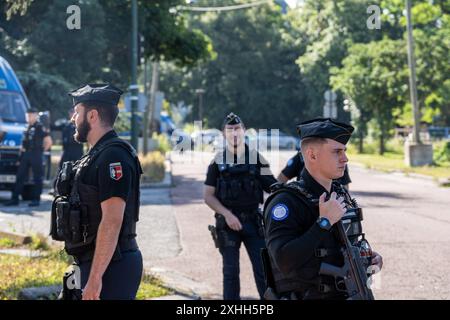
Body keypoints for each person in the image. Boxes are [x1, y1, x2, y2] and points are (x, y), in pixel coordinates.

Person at [264, 118, 383, 300]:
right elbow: (284, 261)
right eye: (337, 152)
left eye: (344, 151)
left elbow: (343, 246)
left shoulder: (339, 194)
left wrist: (367, 259)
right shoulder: (286, 202)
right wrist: (323, 222)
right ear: (312, 155)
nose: (345, 158)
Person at [51, 83, 143, 300]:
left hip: (113, 267)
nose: (73, 118)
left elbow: (112, 220)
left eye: (77, 112)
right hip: (90, 262)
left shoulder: (113, 157)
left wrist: (95, 279)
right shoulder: (95, 155)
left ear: (92, 116)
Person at [204, 112, 277, 300]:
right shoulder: (217, 162)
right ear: (223, 134)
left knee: (264, 272)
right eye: (230, 130)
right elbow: (208, 197)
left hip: (253, 222)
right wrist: (227, 215)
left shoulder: (257, 159)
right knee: (230, 274)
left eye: (237, 129)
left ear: (244, 132)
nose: (234, 133)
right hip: (227, 225)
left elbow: (274, 187)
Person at [5, 107, 52, 207]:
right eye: (27, 115)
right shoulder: (27, 127)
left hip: (36, 154)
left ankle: (36, 199)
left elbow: (48, 142)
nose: (28, 117)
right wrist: (20, 158)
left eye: (30, 115)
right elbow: (23, 145)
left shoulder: (40, 127)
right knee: (20, 176)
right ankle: (15, 199)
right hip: (26, 155)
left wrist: (40, 151)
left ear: (35, 116)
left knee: (37, 178)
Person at [278, 151, 352, 190]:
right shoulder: (301, 157)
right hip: (304, 203)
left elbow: (345, 186)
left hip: (332, 203)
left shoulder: (339, 160)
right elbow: (281, 179)